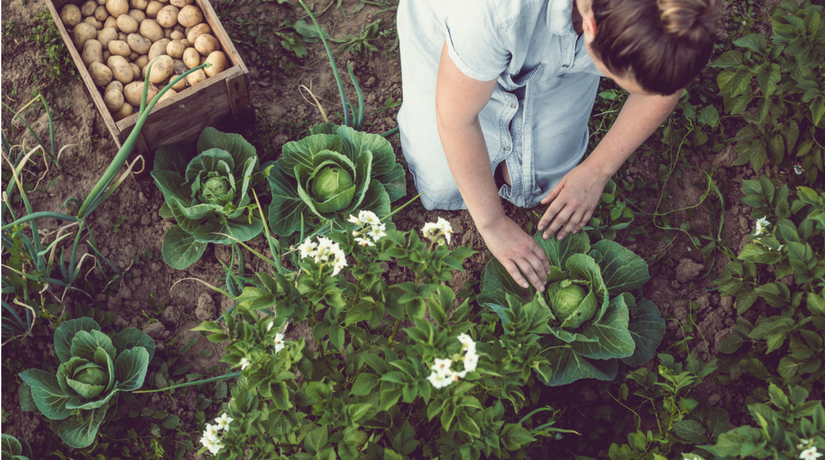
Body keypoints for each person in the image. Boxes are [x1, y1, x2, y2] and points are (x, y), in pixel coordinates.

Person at [396, 0, 720, 292]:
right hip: (455, 43)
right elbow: (456, 120)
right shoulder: (490, 12)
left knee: (543, 184)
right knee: (442, 184)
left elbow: (663, 87)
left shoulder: (676, 13)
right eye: (618, 78)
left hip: (564, 55)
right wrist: (492, 226)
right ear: (591, 27)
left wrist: (597, 170)